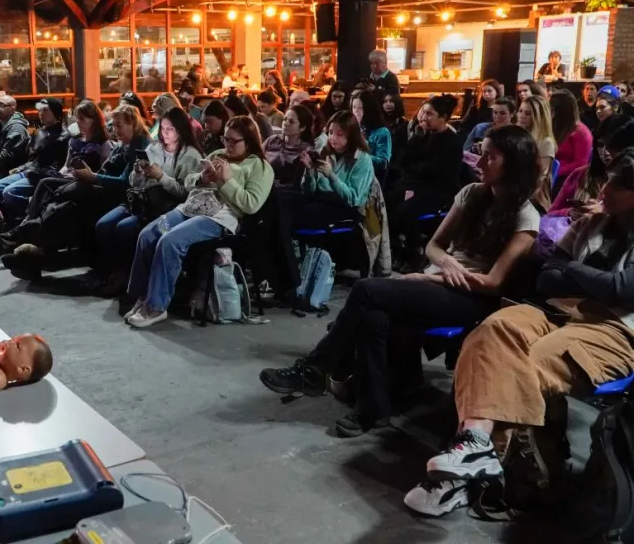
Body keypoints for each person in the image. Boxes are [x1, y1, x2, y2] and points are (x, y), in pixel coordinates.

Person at [261, 124, 541, 437]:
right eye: (481, 153)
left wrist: (431, 278)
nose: (480, 161)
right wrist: (445, 263)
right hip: (439, 281)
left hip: (472, 298)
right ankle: (372, 410)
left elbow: (493, 283)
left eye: (491, 157)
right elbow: (434, 246)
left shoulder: (526, 216)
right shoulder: (472, 194)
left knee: (366, 290)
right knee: (374, 317)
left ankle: (315, 369)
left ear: (513, 164)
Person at [405, 148, 634, 516]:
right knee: (489, 333)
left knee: (528, 363)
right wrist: (589, 278)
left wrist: (572, 270)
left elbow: (622, 290)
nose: (603, 190)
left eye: (618, 186)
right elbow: (547, 278)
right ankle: (474, 445)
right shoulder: (587, 224)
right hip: (557, 309)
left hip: (615, 326)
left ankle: (471, 478)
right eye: (606, 180)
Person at [123, 115, 273, 328]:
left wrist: (226, 181)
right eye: (225, 139)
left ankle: (156, 306)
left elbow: (251, 204)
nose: (228, 145)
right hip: (189, 208)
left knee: (170, 241)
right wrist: (202, 178)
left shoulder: (260, 166)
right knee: (148, 234)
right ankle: (142, 297)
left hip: (217, 217)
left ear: (248, 141)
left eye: (233, 141)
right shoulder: (217, 154)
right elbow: (188, 182)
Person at [2, 105, 150, 277]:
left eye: (119, 125)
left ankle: (24, 238)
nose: (115, 130)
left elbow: (125, 181)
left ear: (133, 124)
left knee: (62, 199)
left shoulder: (138, 146)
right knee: (56, 195)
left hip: (115, 194)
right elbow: (105, 168)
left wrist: (93, 176)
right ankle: (31, 245)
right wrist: (89, 173)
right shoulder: (122, 144)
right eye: (114, 125)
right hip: (98, 184)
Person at [93, 107, 203, 296]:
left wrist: (161, 177)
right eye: (163, 128)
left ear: (180, 130)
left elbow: (185, 194)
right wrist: (138, 172)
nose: (165, 133)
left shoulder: (190, 155)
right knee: (103, 225)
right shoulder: (153, 148)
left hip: (165, 208)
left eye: (170, 129)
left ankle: (127, 278)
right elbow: (133, 183)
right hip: (140, 201)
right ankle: (115, 273)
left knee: (124, 229)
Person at [273, 111, 374, 298]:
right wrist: (309, 172)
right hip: (320, 200)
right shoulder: (325, 152)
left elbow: (354, 198)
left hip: (344, 207)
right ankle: (284, 269)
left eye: (339, 134)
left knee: (288, 217)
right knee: (280, 198)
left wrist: (331, 175)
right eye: (331, 132)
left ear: (351, 135)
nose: (333, 138)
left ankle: (289, 275)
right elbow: (310, 190)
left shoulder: (362, 159)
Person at [387, 94, 465, 271]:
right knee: (388, 202)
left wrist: (416, 169)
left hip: (439, 189)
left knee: (405, 211)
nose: (423, 118)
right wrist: (416, 138)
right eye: (424, 113)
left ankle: (416, 252)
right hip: (416, 184)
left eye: (430, 114)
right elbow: (403, 161)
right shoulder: (423, 135)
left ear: (443, 117)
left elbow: (440, 171)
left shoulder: (453, 141)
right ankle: (397, 250)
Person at [0, 98, 70, 220]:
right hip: (30, 172)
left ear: (56, 112)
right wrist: (21, 168)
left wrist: (31, 170)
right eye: (39, 110)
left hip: (43, 176)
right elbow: (32, 159)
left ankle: (23, 219)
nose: (41, 113)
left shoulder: (64, 136)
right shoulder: (39, 132)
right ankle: (6, 219)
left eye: (45, 110)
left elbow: (58, 166)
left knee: (9, 191)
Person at [517, 95, 557, 212]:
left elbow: (538, 180)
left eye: (528, 113)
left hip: (533, 198)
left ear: (539, 117)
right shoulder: (516, 136)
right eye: (520, 111)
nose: (522, 116)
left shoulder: (546, 142)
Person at [263, 104, 318, 187]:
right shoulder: (273, 140)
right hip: (263, 183)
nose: (285, 123)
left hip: (285, 191)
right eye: (285, 119)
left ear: (302, 128)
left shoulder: (306, 151)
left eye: (291, 122)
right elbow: (256, 159)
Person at [550, 90, 593, 187]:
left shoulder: (581, 133)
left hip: (567, 180)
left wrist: (555, 171)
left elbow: (580, 164)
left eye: (551, 109)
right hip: (552, 175)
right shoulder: (558, 127)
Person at [350, 89, 391, 182]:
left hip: (370, 178)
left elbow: (383, 163)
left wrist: (359, 156)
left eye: (360, 108)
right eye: (354, 107)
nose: (356, 111)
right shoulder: (352, 128)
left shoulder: (382, 132)